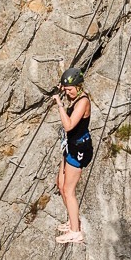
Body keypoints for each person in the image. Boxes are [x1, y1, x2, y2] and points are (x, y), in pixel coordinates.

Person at [52, 67, 93, 244]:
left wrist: (60, 105)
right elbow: (66, 87)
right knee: (60, 185)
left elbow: (68, 125)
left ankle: (76, 231)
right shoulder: (74, 95)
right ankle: (72, 220)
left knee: (69, 190)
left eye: (70, 90)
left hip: (80, 149)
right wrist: (63, 88)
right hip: (70, 145)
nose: (67, 93)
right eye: (66, 90)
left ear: (79, 86)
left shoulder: (83, 101)